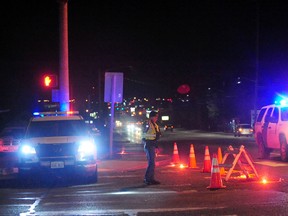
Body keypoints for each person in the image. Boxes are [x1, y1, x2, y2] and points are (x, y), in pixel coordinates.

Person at [142, 110, 161, 185]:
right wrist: (145, 140)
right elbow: (143, 133)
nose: (157, 118)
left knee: (152, 163)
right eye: (156, 116)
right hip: (149, 144)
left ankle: (150, 178)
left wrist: (156, 146)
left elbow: (156, 134)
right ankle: (148, 179)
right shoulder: (148, 123)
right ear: (152, 117)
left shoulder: (154, 124)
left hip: (152, 144)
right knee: (151, 163)